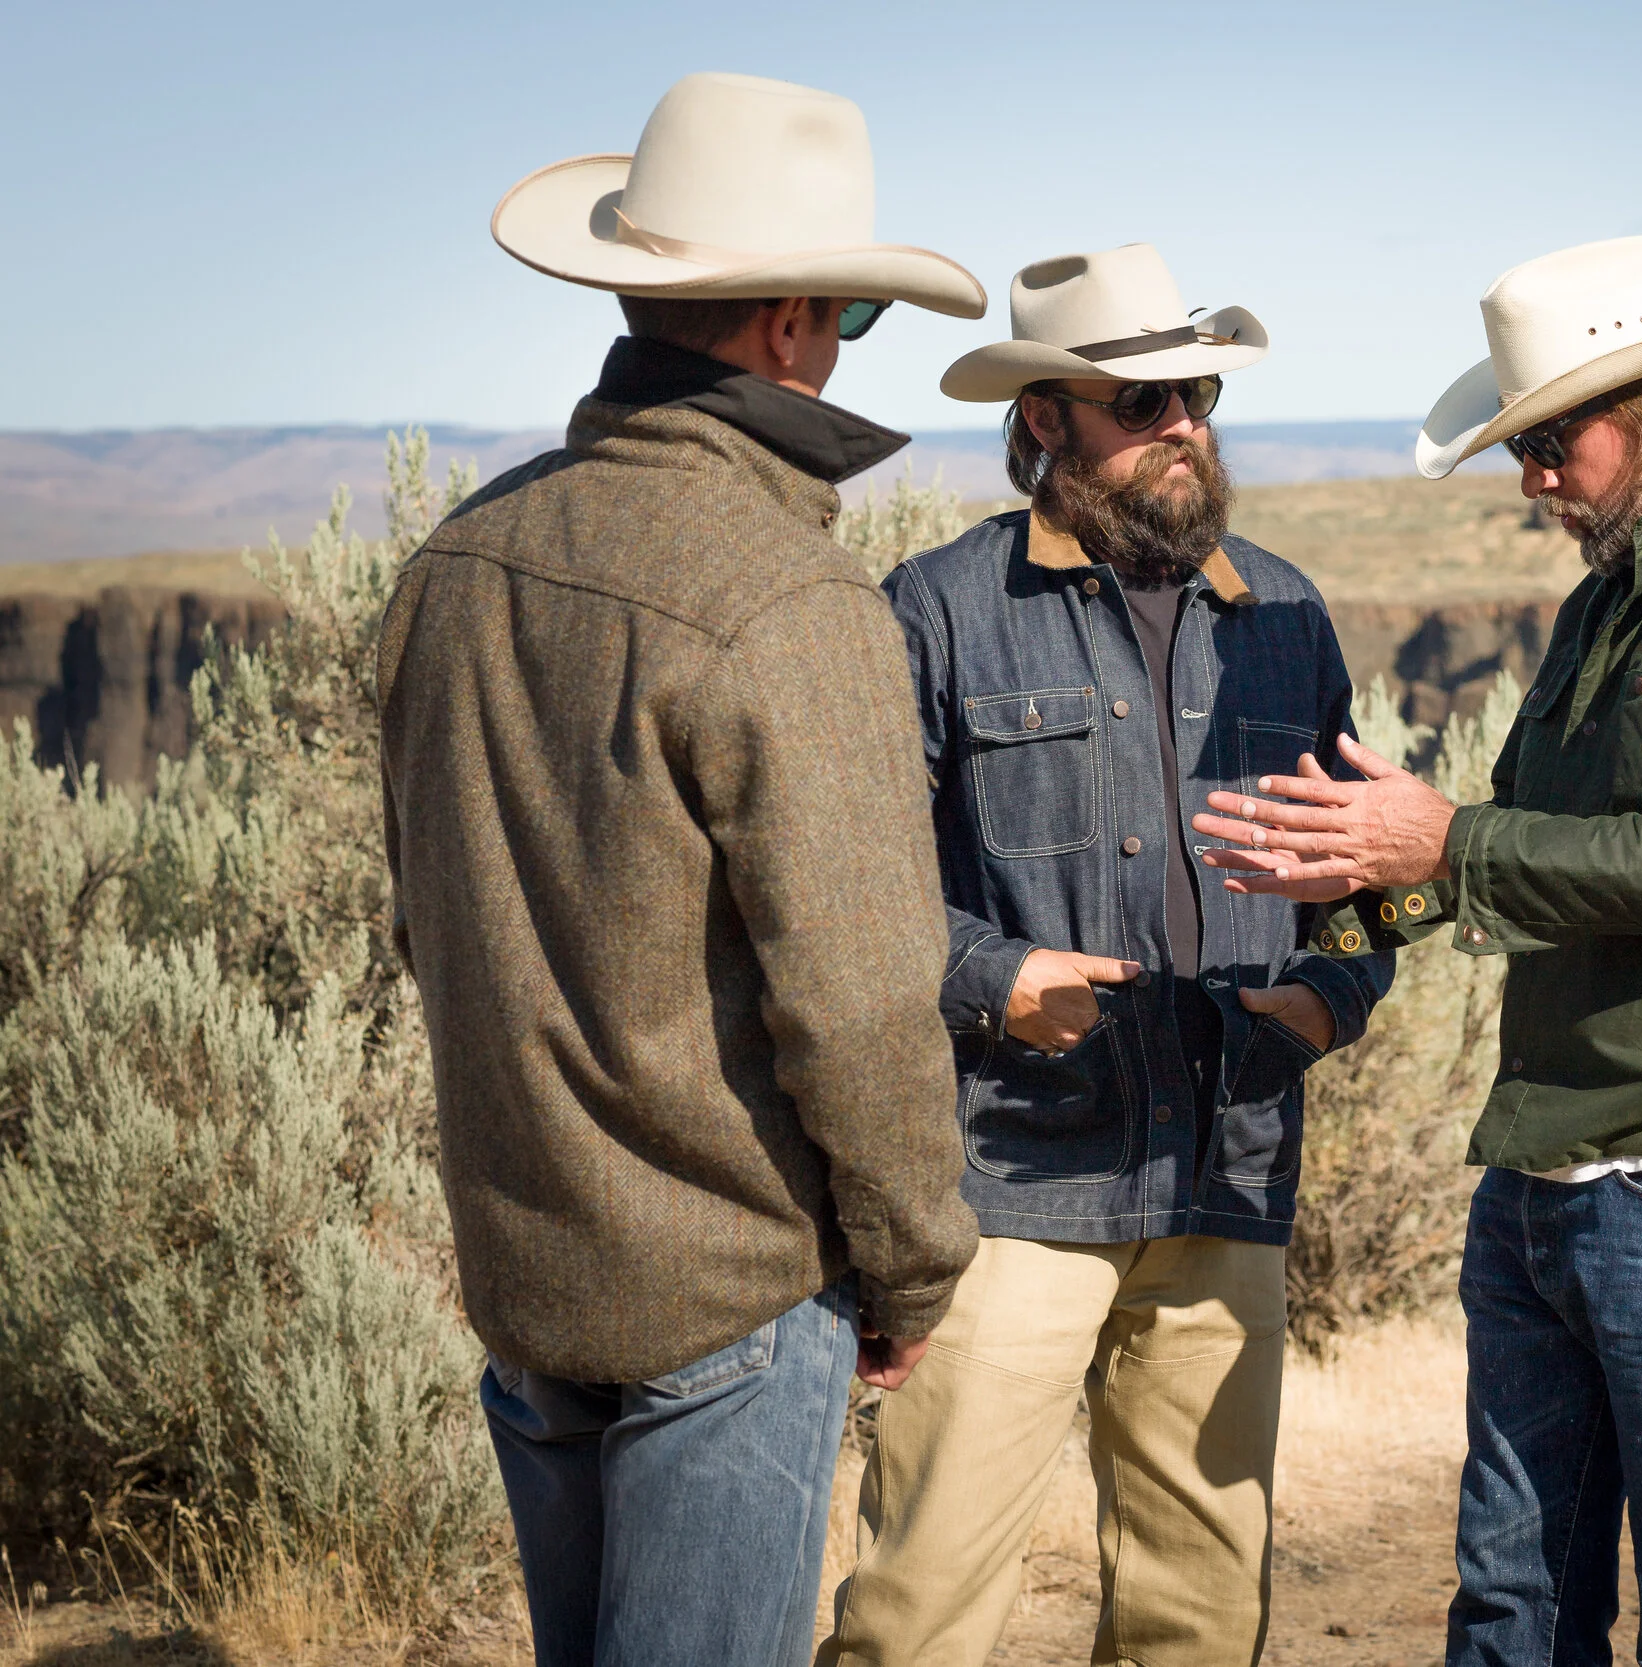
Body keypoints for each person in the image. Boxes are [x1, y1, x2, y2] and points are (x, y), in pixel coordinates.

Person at [1191, 234, 1642, 1667]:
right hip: (1539, 1176)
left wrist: (1439, 843)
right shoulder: (1608, 600)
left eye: (1547, 442)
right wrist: (1343, 928)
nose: (1531, 480)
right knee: (1512, 1613)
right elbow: (1515, 845)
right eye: (1518, 448)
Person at [376, 72, 986, 1667]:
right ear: (790, 322)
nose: (845, 340)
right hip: (730, 1298)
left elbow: (429, 925)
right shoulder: (791, 599)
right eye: (851, 310)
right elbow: (860, 1004)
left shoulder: (455, 563)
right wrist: (913, 1265)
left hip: (529, 1276)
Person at [823, 244, 1395, 1667]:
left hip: (1228, 1176)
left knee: (1199, 1616)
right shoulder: (938, 610)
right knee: (919, 1614)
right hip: (1013, 1185)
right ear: (1044, 421)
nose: (1181, 424)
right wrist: (993, 978)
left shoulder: (1288, 617)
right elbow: (854, 891)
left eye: (1196, 394)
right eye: (1140, 401)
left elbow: (1368, 875)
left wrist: (1330, 998)